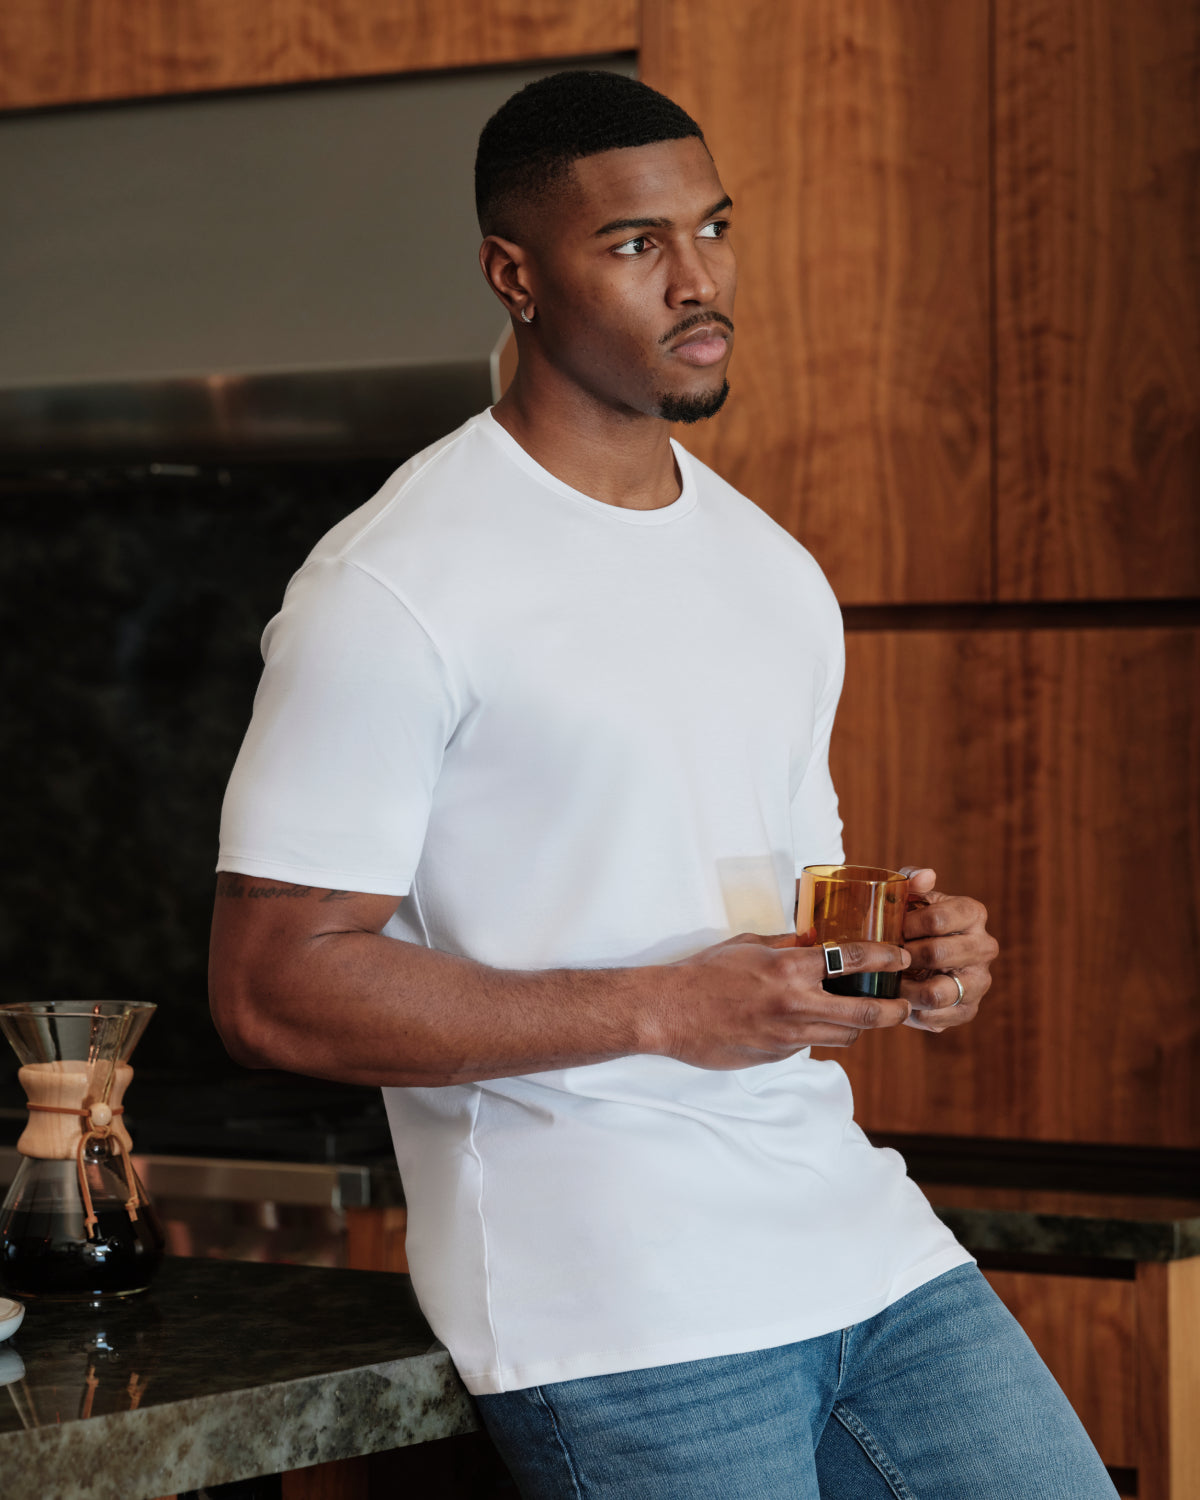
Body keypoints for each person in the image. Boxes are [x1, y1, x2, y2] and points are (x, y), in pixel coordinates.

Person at [210, 71, 1116, 1500]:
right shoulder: (392, 586)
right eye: (636, 244)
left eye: (714, 228)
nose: (699, 281)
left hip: (860, 1242)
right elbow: (271, 987)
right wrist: (665, 1008)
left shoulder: (770, 567)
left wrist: (902, 960)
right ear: (515, 276)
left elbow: (768, 911)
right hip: (617, 1304)